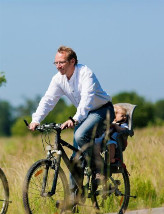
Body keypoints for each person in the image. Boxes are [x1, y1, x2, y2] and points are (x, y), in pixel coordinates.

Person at [28, 46, 115, 203]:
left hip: (102, 111)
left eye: (61, 62)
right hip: (84, 116)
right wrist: (36, 119)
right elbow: (48, 100)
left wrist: (75, 119)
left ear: (72, 61)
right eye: (55, 63)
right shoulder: (58, 79)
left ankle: (100, 171)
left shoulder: (85, 73)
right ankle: (75, 198)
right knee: (75, 158)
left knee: (80, 135)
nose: (58, 66)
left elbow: (87, 99)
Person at [93, 104, 129, 180]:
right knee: (95, 143)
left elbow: (123, 131)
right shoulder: (109, 123)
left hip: (114, 141)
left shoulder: (123, 124)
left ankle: (111, 158)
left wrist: (115, 126)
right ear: (114, 117)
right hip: (103, 139)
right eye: (122, 116)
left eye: (125, 116)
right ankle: (97, 160)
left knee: (111, 144)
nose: (125, 117)